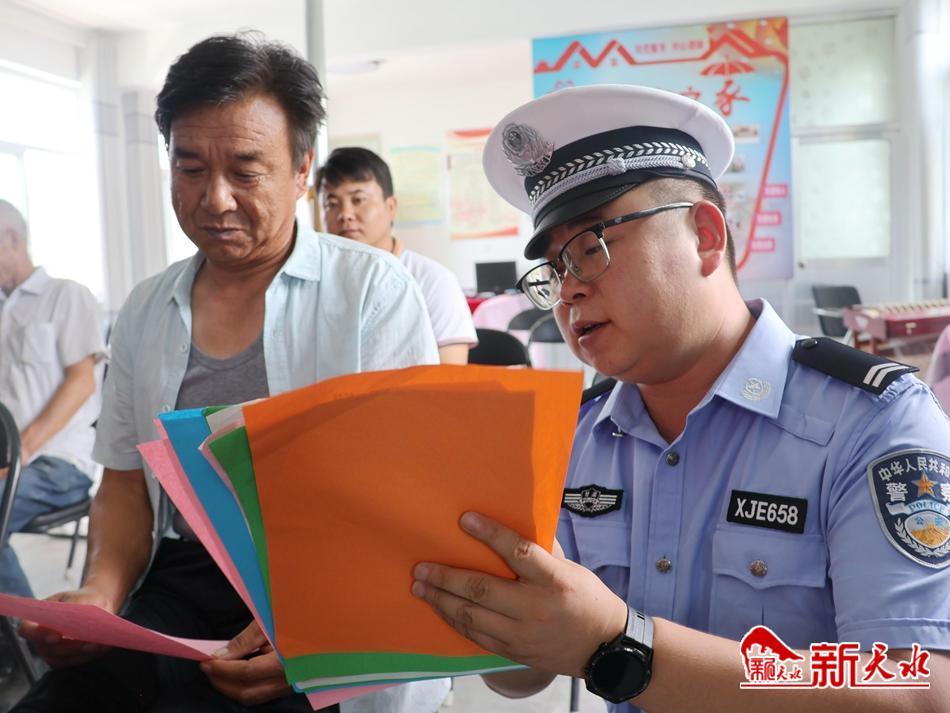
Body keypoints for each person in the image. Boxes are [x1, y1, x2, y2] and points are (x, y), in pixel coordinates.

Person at [410, 84, 950, 711]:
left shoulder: (873, 424)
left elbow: (919, 690)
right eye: (554, 270)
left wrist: (621, 648)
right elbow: (519, 677)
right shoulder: (578, 436)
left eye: (590, 249)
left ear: (705, 235)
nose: (568, 291)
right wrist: (486, 601)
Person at [13, 33, 445, 713]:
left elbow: (409, 501)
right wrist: (100, 594)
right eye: (190, 168)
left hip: (332, 582)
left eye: (246, 172)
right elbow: (124, 482)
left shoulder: (372, 292)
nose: (214, 199)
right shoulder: (146, 309)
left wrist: (319, 630)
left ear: (301, 170)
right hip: (183, 578)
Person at [0, 199, 105, 599]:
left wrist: (19, 454)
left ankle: (26, 635)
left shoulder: (66, 296)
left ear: (11, 238)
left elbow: (82, 382)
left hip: (58, 463)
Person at [316, 147, 477, 365]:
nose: (345, 214)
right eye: (331, 204)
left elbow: (449, 375)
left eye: (358, 200)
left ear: (390, 207)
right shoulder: (317, 283)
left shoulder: (433, 280)